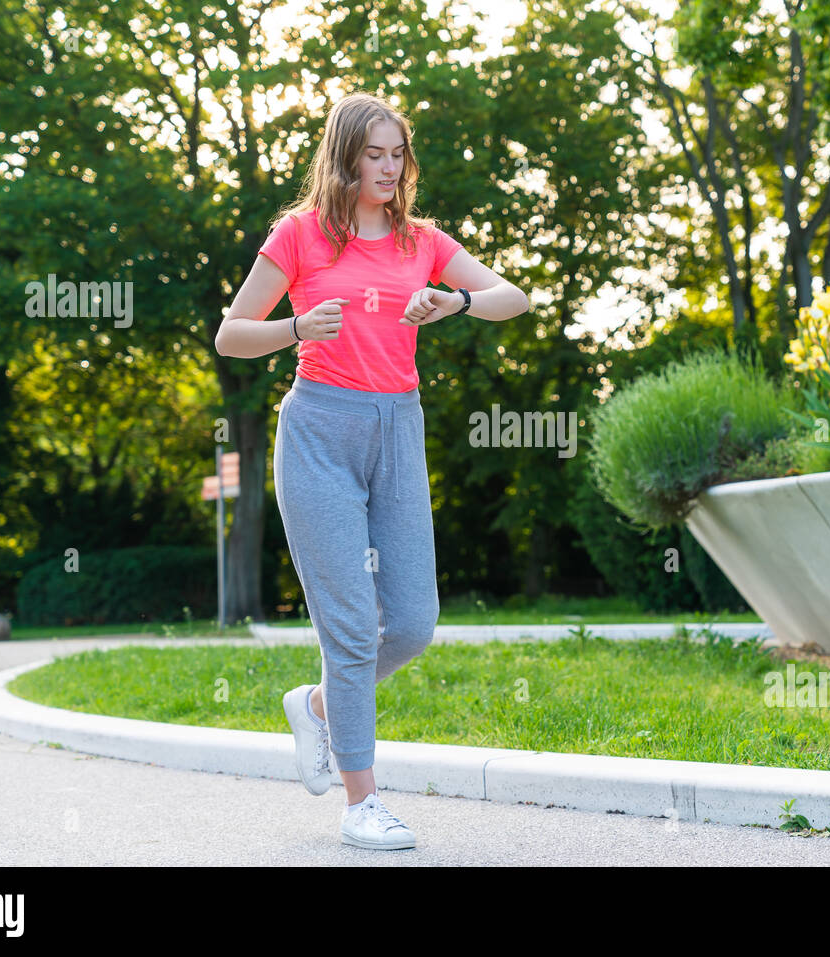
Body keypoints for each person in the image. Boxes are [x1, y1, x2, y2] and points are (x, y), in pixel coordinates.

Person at [215, 92, 530, 850]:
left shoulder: (419, 240)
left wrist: (453, 303)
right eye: (374, 155)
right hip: (320, 429)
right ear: (346, 155)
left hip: (398, 429)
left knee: (414, 622)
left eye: (397, 155)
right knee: (352, 628)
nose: (388, 169)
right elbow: (230, 335)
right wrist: (295, 325)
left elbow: (510, 298)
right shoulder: (298, 235)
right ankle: (362, 801)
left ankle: (321, 706)